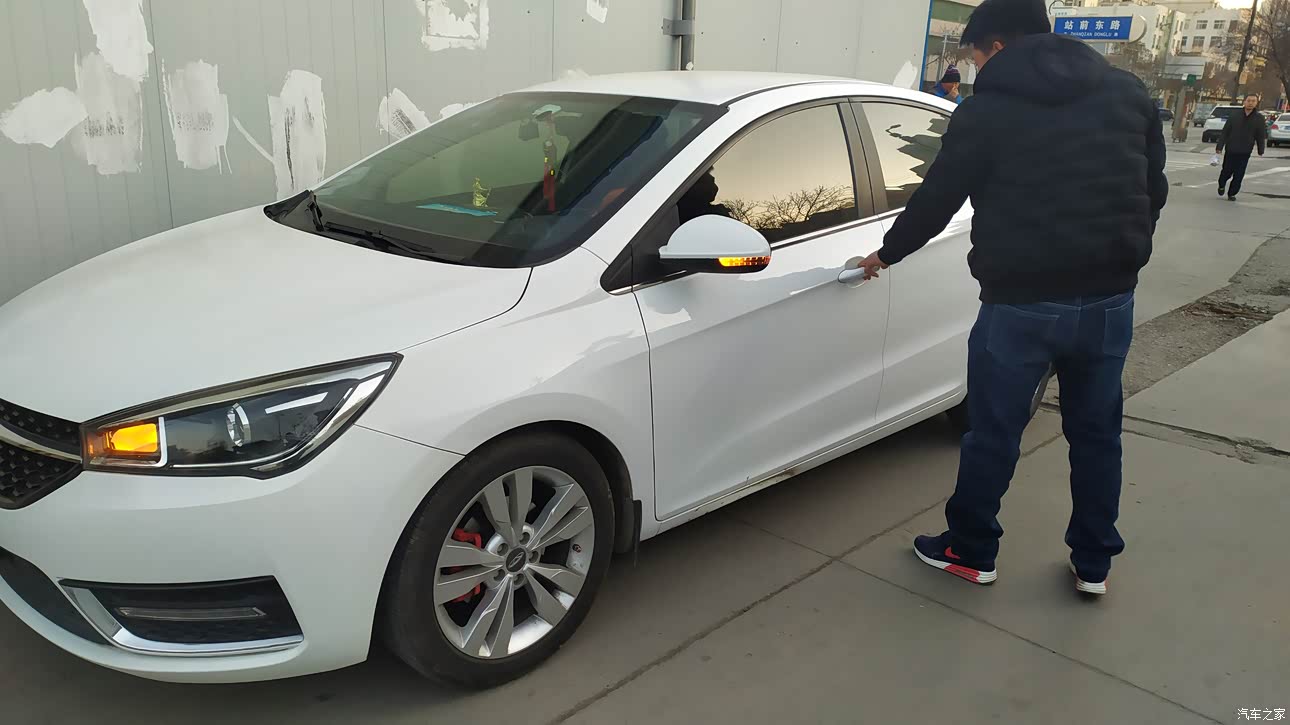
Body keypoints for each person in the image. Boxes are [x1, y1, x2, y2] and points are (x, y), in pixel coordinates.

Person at [857, 0, 1167, 596]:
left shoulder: (986, 111)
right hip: (1109, 299)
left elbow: (939, 197)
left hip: (1021, 303)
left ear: (996, 45)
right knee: (1097, 433)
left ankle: (970, 550)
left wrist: (886, 254)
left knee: (994, 433)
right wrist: (1124, 252)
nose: (974, 67)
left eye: (975, 55)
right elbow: (1153, 188)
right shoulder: (1127, 93)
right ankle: (1094, 563)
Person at [1217, 94, 1267, 201]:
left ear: (1256, 103)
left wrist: (1261, 149)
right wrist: (1219, 146)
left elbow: (1260, 135)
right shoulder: (1235, 115)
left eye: (1253, 101)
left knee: (1239, 174)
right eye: (1249, 100)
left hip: (1245, 151)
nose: (1250, 103)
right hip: (1231, 149)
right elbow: (1225, 132)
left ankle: (1232, 193)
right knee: (1226, 171)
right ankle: (1221, 184)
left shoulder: (1259, 118)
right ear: (1244, 102)